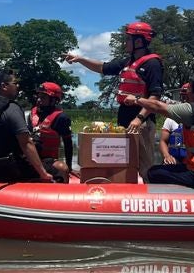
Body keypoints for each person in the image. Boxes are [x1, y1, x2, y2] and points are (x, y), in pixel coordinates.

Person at [64, 21, 163, 182]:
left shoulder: (152, 64)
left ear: (139, 41)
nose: (126, 42)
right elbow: (102, 67)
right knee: (123, 162)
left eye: (128, 39)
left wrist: (139, 119)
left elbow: (155, 96)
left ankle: (148, 196)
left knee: (145, 166)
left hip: (141, 121)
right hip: (124, 117)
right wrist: (80, 59)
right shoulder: (127, 62)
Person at [0, 69, 54, 183]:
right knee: (60, 168)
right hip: (4, 169)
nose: (18, 86)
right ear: (4, 86)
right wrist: (43, 173)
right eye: (15, 83)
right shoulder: (10, 107)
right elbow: (26, 143)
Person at [28, 82, 74, 182]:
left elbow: (68, 144)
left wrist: (69, 167)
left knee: (63, 168)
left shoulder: (61, 118)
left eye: (43, 97)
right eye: (38, 96)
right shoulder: (32, 114)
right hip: (29, 159)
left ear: (54, 100)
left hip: (48, 160)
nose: (39, 100)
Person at [158, 83, 192, 165]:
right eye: (183, 96)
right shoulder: (170, 119)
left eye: (187, 96)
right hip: (175, 159)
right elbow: (163, 141)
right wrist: (167, 156)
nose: (185, 99)